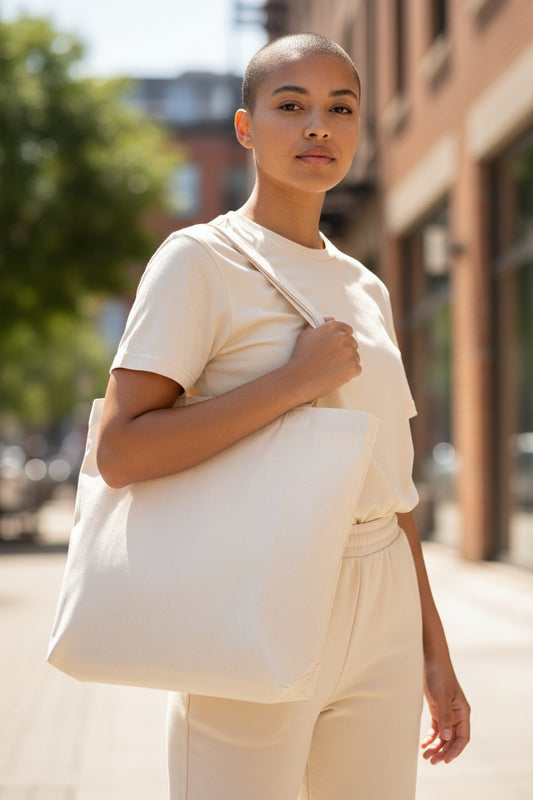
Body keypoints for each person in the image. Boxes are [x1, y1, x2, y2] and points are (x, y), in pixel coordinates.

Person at [97, 32, 470, 800]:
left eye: (340, 109)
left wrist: (433, 651)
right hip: (256, 588)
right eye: (290, 106)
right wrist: (294, 382)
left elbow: (390, 486)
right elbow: (120, 451)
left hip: (382, 599)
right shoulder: (199, 259)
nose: (317, 127)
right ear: (245, 128)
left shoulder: (365, 288)